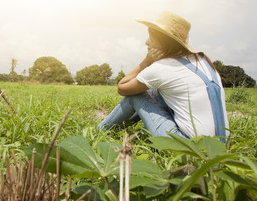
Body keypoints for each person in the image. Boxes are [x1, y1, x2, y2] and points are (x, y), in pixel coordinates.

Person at [98, 11, 229, 141]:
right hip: (219, 147)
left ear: (164, 41)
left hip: (191, 149)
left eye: (151, 37)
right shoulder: (202, 61)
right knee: (153, 92)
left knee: (137, 95)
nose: (147, 42)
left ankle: (100, 131)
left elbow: (122, 88)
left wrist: (146, 62)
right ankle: (119, 128)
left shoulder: (163, 67)